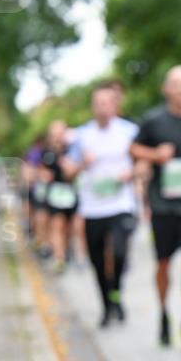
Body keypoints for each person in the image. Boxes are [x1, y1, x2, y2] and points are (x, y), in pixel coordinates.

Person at [131, 66, 181, 350]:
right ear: (166, 89)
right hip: (163, 203)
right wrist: (155, 154)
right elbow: (134, 149)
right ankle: (164, 312)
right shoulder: (153, 120)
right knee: (163, 263)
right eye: (175, 84)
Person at [65, 86, 139, 327]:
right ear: (92, 107)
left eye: (108, 103)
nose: (103, 107)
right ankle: (107, 305)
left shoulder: (130, 131)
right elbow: (68, 170)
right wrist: (82, 164)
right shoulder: (82, 135)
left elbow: (144, 164)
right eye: (98, 103)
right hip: (92, 206)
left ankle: (116, 293)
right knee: (96, 259)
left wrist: (131, 173)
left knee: (118, 253)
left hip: (120, 204)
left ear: (115, 105)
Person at [40, 120, 77, 273]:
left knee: (69, 227)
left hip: (71, 192)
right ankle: (59, 257)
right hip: (55, 193)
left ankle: (66, 249)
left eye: (60, 133)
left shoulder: (72, 150)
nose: (57, 137)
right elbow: (43, 171)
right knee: (57, 225)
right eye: (55, 133)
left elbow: (74, 172)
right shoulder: (47, 153)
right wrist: (44, 175)